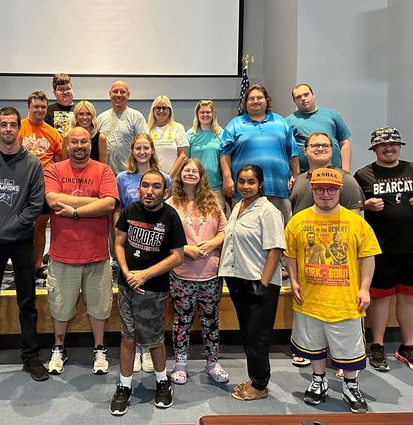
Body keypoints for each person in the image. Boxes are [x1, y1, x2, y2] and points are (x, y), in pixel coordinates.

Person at [285, 168, 381, 413]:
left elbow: (368, 257)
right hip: (309, 298)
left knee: (349, 348)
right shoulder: (298, 220)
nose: (325, 194)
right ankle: (319, 381)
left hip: (345, 300)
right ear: (312, 190)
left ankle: (350, 386)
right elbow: (291, 255)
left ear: (339, 190)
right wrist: (294, 281)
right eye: (319, 189)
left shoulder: (356, 222)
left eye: (330, 189)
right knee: (313, 345)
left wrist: (365, 289)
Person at [354, 126, 413, 375]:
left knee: (408, 297)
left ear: (400, 146)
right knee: (380, 298)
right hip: (380, 248)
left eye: (393, 143)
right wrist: (366, 205)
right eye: (383, 145)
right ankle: (377, 345)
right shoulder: (363, 175)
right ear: (374, 148)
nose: (389, 148)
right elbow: (351, 208)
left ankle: (407, 347)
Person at [0, 107, 48, 385]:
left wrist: (6, 227)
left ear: (19, 129)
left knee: (27, 302)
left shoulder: (33, 165)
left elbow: (35, 206)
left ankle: (31, 357)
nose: (8, 129)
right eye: (4, 124)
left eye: (13, 124)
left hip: (22, 243)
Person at [44, 127, 118, 376]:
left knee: (100, 307)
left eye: (84, 141)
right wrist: (94, 203)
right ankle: (58, 348)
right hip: (63, 253)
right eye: (74, 142)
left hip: (97, 253)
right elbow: (53, 200)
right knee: (60, 305)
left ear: (90, 144)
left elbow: (109, 204)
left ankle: (99, 348)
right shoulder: (55, 169)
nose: (79, 146)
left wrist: (74, 210)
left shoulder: (103, 170)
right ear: (66, 145)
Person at [110, 171, 185, 415]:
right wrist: (127, 272)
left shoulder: (170, 216)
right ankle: (124, 386)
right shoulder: (130, 211)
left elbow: (177, 256)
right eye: (145, 186)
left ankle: (162, 382)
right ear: (139, 189)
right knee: (128, 336)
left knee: (154, 339)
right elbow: (119, 244)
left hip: (154, 288)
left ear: (165, 192)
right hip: (127, 285)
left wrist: (145, 274)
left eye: (155, 187)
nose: (149, 191)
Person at [218, 165, 284, 401]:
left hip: (258, 283)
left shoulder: (268, 211)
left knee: (258, 336)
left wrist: (263, 284)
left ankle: (260, 384)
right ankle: (255, 377)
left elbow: (276, 249)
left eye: (251, 182)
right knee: (248, 333)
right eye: (242, 181)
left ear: (260, 184)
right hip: (238, 281)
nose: (245, 186)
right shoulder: (238, 206)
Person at [166, 159, 228, 385]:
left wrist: (212, 244)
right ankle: (180, 363)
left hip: (211, 274)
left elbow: (224, 231)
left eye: (195, 171)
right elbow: (165, 237)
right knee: (182, 321)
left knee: (211, 320)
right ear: (180, 174)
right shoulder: (171, 204)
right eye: (187, 170)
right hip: (182, 274)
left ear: (201, 176)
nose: (191, 173)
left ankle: (212, 362)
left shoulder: (213, 201)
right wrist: (185, 249)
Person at [114, 132, 172, 373]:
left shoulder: (165, 177)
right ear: (132, 150)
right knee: (129, 318)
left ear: (151, 150)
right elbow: (118, 211)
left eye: (146, 147)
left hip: (154, 247)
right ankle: (136, 350)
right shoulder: (122, 177)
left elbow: (166, 214)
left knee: (150, 313)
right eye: (138, 147)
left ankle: (147, 349)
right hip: (130, 240)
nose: (142, 152)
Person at [220, 84, 300, 222]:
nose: (255, 101)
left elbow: (292, 152)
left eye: (259, 97)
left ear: (267, 100)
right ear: (245, 103)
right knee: (244, 231)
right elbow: (224, 153)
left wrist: (296, 176)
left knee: (279, 232)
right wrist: (227, 178)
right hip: (245, 190)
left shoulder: (281, 122)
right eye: (251, 98)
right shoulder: (235, 124)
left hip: (278, 188)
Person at [18, 91, 63, 279]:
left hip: (45, 185)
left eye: (43, 107)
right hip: (22, 185)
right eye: (36, 106)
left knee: (40, 226)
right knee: (21, 226)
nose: (40, 110)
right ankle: (21, 263)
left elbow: (60, 161)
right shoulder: (19, 127)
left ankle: (37, 264)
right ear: (28, 107)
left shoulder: (52, 132)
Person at [290, 132, 364, 216]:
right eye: (315, 145)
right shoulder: (298, 181)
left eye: (325, 145)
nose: (321, 149)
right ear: (305, 151)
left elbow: (354, 218)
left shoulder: (345, 179)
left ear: (331, 150)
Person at [286, 84, 352, 173]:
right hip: (305, 176)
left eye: (306, 94)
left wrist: (346, 171)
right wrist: (293, 174)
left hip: (335, 173)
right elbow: (288, 150)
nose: (303, 99)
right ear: (294, 101)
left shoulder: (332, 115)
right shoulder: (288, 122)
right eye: (298, 97)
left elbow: (344, 143)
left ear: (313, 95)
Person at [96, 80, 147, 175]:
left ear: (128, 95)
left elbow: (145, 145)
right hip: (105, 174)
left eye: (122, 92)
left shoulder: (136, 117)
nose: (118, 95)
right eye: (115, 91)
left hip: (129, 173)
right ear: (109, 94)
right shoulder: (101, 118)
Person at [186, 100, 226, 207]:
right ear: (197, 114)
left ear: (213, 114)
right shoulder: (190, 134)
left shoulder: (221, 134)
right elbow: (185, 161)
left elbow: (226, 160)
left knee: (217, 220)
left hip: (216, 187)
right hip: (194, 187)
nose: (205, 115)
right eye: (202, 112)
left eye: (208, 112)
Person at [147, 95, 189, 179]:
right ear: (153, 110)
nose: (161, 110)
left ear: (169, 110)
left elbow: (182, 156)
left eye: (164, 108)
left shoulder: (178, 127)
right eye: (158, 108)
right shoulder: (146, 129)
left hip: (173, 178)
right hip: (152, 178)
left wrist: (169, 177)